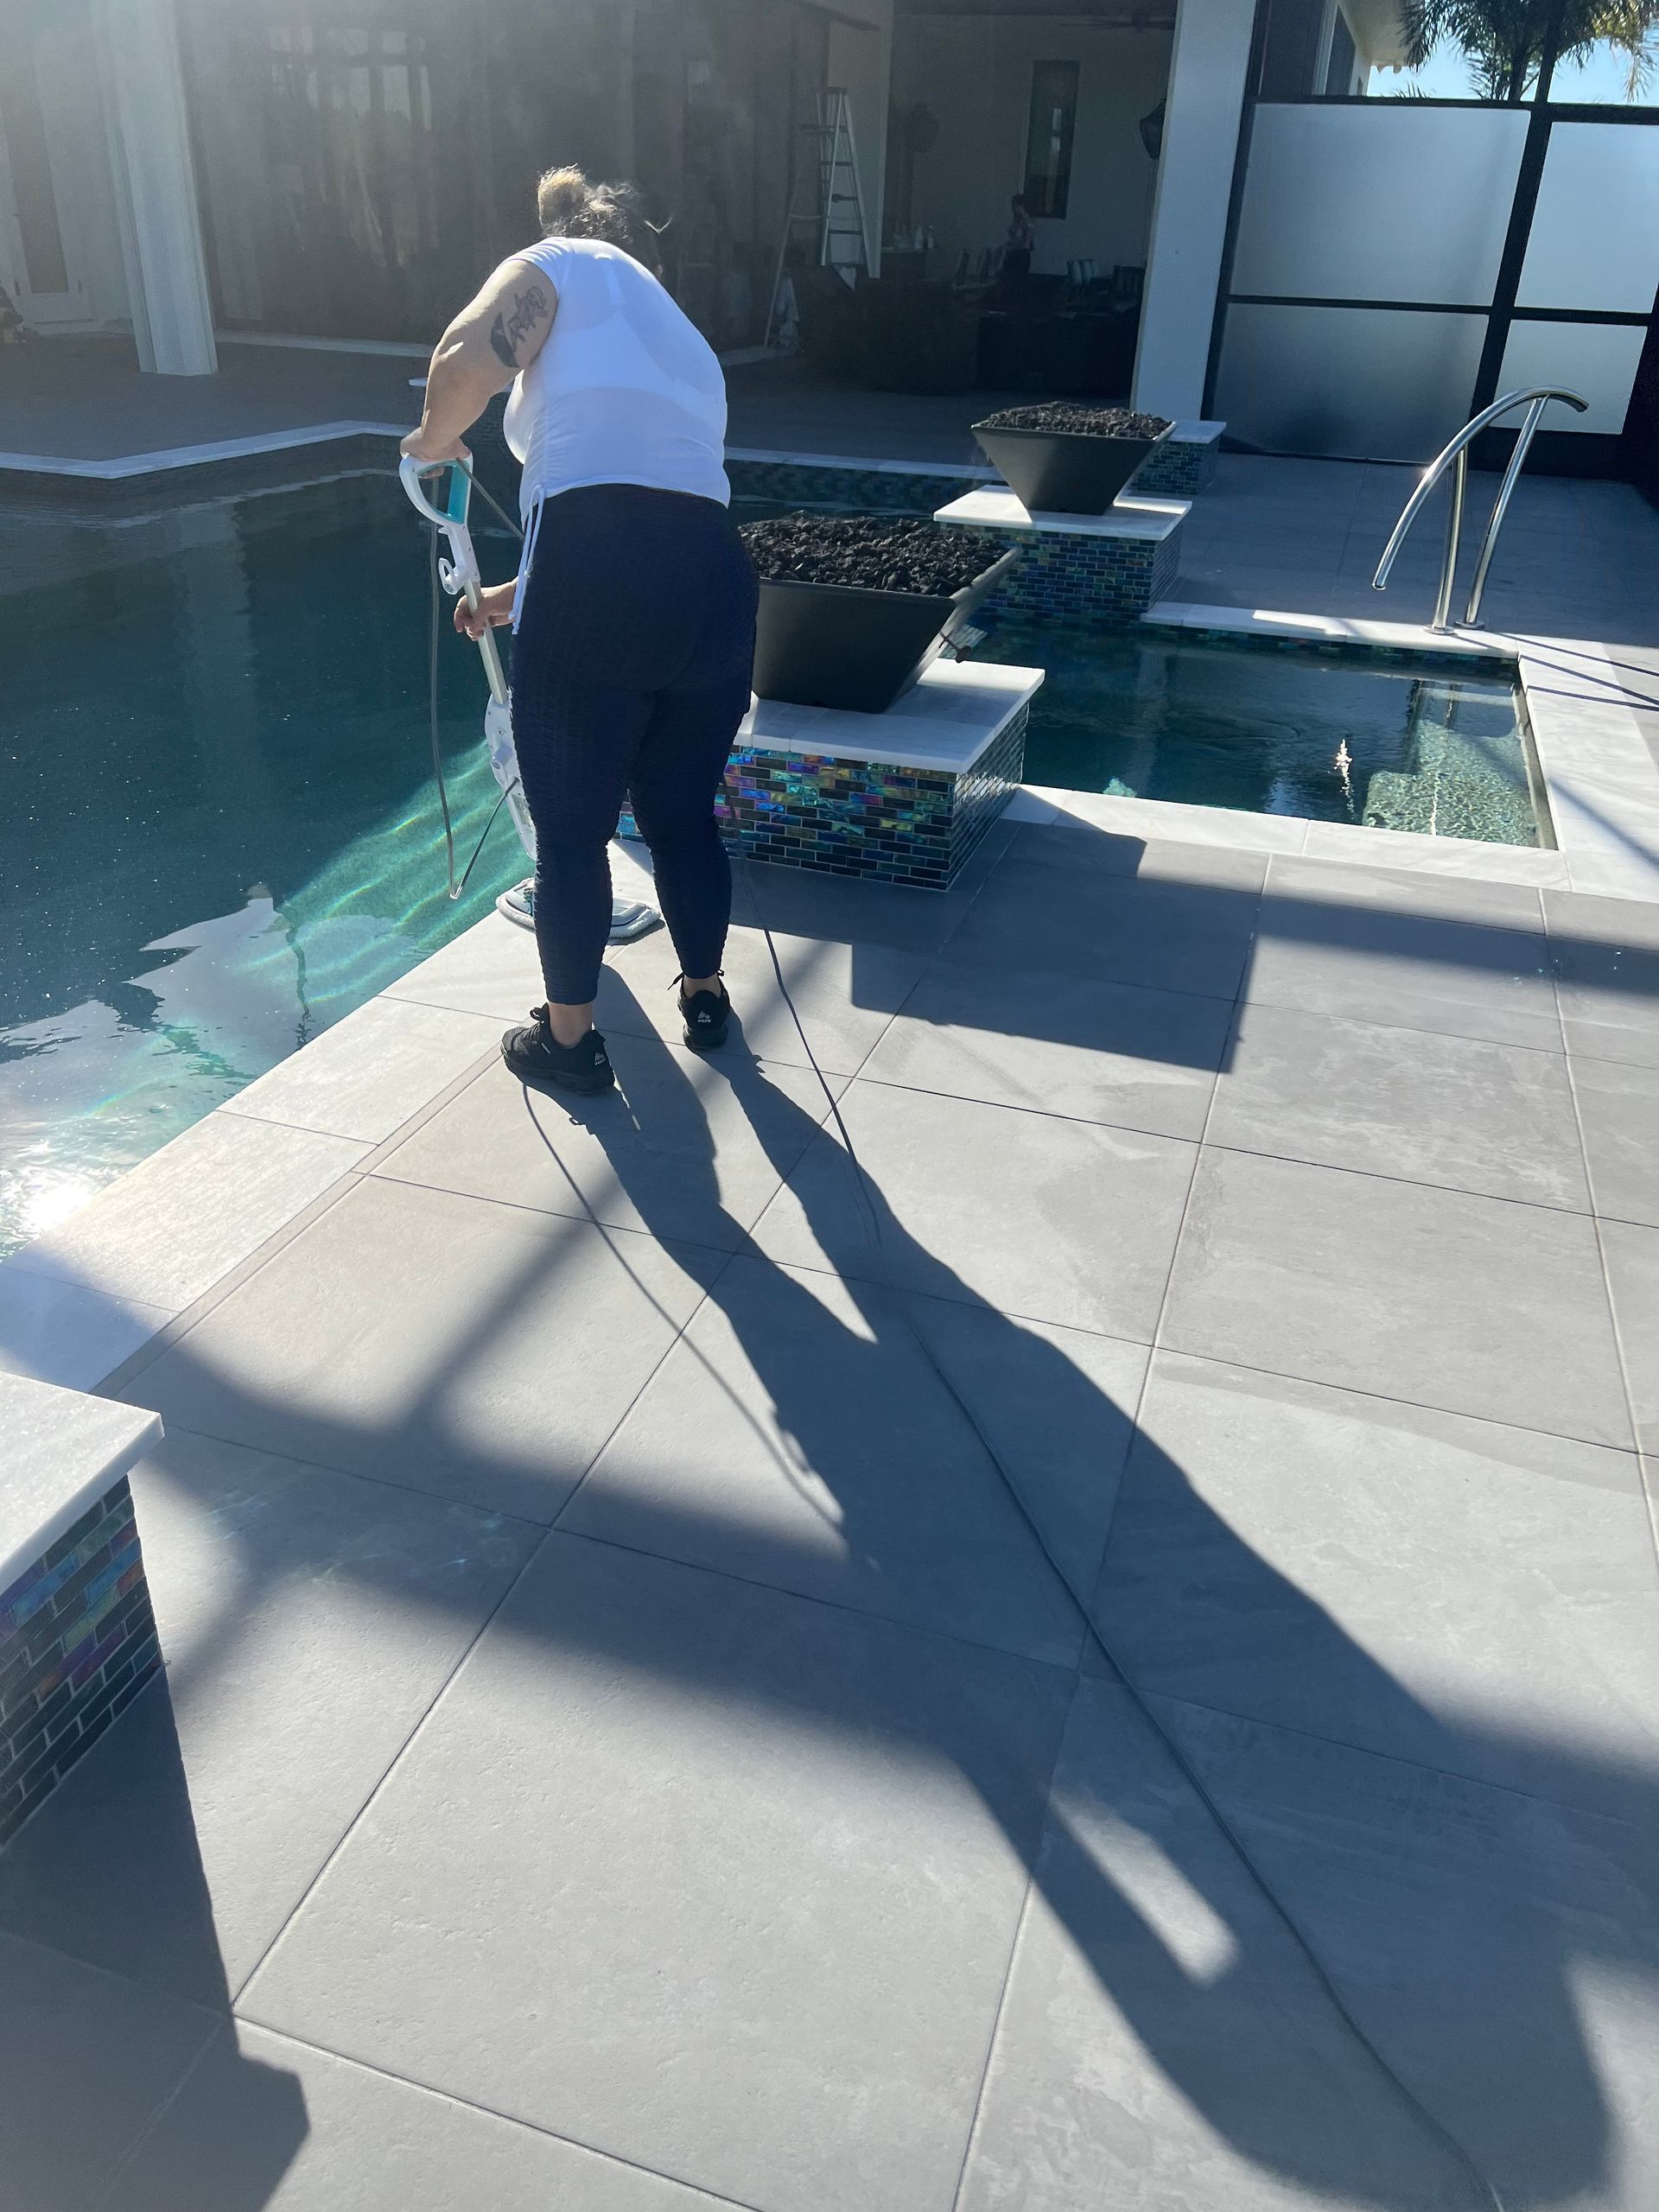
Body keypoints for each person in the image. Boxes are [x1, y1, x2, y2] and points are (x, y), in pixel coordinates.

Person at [401, 165, 757, 1096]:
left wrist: (432, 444)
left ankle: (569, 1045)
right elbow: (651, 510)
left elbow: (460, 362)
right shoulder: (681, 338)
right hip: (716, 589)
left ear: (560, 227)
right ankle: (708, 996)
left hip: (598, 584)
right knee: (681, 816)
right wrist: (510, 598)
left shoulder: (553, 265)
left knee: (571, 835)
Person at [1002, 194, 1034, 283]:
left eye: (1014, 206)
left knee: (1017, 283)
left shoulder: (1027, 222)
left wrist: (1014, 246)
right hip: (1015, 253)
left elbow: (1026, 243)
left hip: (1020, 256)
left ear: (1020, 206)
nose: (1013, 209)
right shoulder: (1017, 220)